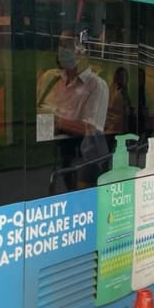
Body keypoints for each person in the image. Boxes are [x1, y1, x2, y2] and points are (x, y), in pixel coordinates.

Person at [37, 30, 109, 190]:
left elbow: (91, 129)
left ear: (84, 50)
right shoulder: (50, 77)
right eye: (61, 44)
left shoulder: (96, 85)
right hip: (49, 157)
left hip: (83, 162)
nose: (63, 50)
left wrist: (57, 122)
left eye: (68, 45)